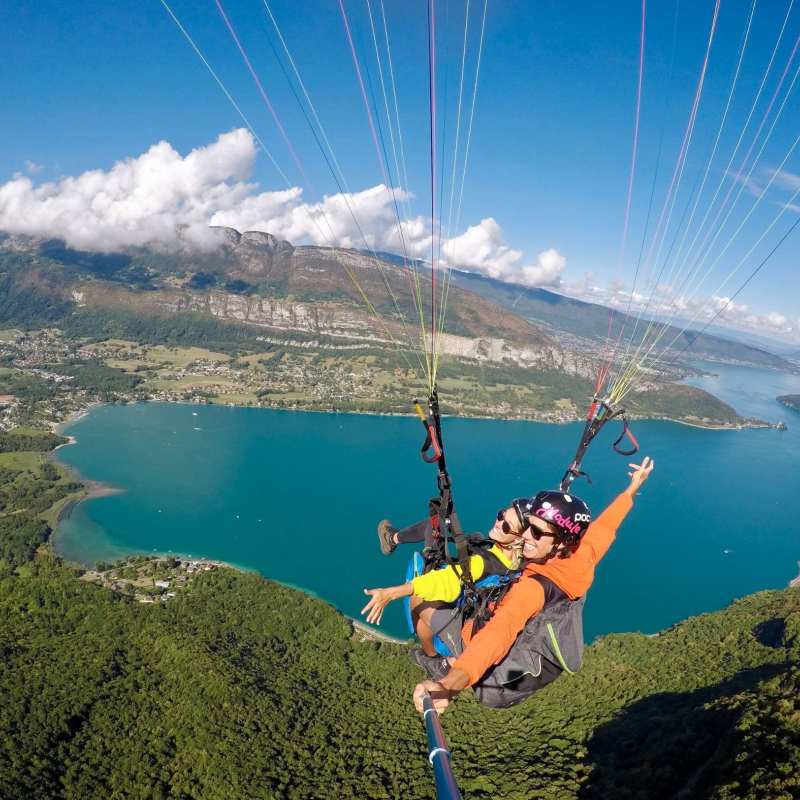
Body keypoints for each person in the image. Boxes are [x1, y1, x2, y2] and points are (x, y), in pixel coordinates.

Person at [409, 456, 655, 714]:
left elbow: (498, 633)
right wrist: (631, 489)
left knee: (420, 603)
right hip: (528, 650)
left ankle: (438, 662)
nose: (525, 536)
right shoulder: (580, 555)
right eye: (528, 527)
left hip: (489, 666)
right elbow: (606, 527)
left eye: (537, 533)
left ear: (560, 542)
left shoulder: (534, 588)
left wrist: (448, 686)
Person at [362, 498, 532, 677]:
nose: (499, 523)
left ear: (520, 539)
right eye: (501, 515)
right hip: (476, 621)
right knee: (435, 527)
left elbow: (444, 581)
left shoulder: (482, 564)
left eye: (506, 526)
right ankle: (391, 539)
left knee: (417, 598)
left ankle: (433, 660)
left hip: (459, 639)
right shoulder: (524, 563)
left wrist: (390, 593)